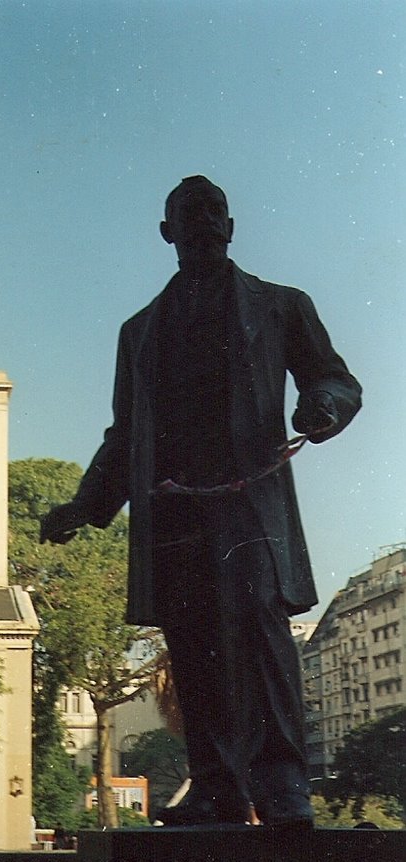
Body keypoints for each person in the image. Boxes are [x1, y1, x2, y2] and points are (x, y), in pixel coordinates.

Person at [40, 175, 361, 829]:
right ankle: (217, 787)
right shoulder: (140, 334)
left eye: (216, 209)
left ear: (232, 224)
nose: (206, 219)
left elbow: (334, 376)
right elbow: (124, 437)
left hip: (250, 509)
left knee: (265, 641)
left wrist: (323, 406)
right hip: (176, 516)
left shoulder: (280, 306)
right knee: (194, 651)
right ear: (168, 232)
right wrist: (85, 504)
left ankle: (282, 787)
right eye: (191, 212)